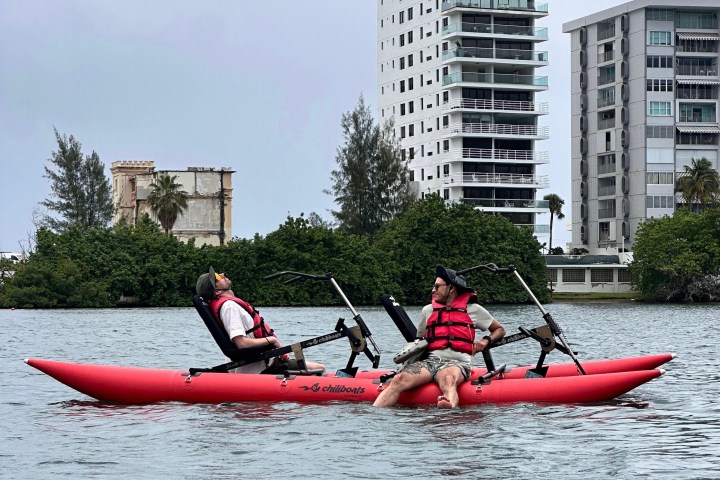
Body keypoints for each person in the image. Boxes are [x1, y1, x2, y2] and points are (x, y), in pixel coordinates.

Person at [374, 265, 505, 409]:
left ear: (451, 288)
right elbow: (419, 340)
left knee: (448, 379)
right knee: (398, 379)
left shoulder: (474, 310)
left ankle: (448, 406)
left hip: (458, 362)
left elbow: (499, 329)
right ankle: (375, 416)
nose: (433, 290)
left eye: (437, 287)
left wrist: (485, 340)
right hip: (430, 362)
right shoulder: (428, 310)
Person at [195, 266, 325, 375]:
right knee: (320, 369)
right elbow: (241, 343)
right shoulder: (229, 307)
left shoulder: (229, 305)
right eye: (217, 277)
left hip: (264, 360)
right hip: (262, 366)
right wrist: (272, 340)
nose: (222, 274)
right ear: (217, 291)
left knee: (313, 367)